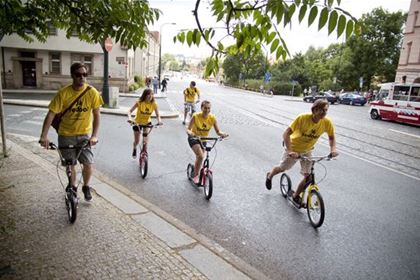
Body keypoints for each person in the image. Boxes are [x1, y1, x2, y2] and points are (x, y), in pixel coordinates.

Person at [39, 62, 103, 201]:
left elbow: (97, 115)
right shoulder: (63, 93)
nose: (82, 78)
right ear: (72, 76)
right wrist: (43, 136)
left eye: (85, 75)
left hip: (84, 135)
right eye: (79, 75)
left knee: (88, 163)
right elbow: (51, 114)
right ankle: (72, 186)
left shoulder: (92, 93)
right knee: (70, 164)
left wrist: (94, 136)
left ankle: (86, 186)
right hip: (66, 135)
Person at [265, 99, 338, 205]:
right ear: (314, 110)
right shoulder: (303, 118)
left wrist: (333, 150)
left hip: (307, 150)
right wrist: (290, 151)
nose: (324, 113)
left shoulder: (327, 122)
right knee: (282, 168)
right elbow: (286, 134)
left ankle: (296, 196)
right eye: (321, 110)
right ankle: (269, 175)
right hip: (293, 148)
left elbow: (331, 138)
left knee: (308, 177)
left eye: (326, 110)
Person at [186, 100, 228, 184]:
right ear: (201, 108)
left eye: (209, 108)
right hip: (194, 139)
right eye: (205, 108)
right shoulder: (196, 116)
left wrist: (223, 134)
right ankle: (196, 176)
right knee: (201, 156)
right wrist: (191, 133)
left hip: (203, 140)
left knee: (200, 157)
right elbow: (188, 129)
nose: (207, 110)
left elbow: (218, 131)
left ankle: (195, 169)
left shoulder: (212, 118)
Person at [128, 88, 162, 158]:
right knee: (137, 141)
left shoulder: (154, 104)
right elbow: (129, 111)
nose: (150, 96)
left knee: (145, 142)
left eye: (152, 94)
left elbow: (158, 115)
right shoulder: (139, 102)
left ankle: (144, 155)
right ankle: (134, 148)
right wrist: (130, 118)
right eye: (149, 94)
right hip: (137, 123)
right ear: (145, 95)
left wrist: (159, 121)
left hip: (147, 123)